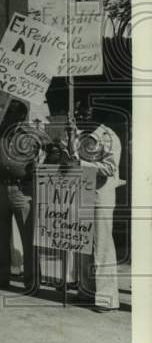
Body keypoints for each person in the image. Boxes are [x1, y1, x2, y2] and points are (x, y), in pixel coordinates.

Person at [0, 99, 49, 293]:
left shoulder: (31, 134)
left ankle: (32, 280)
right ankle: (1, 276)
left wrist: (40, 162)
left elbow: (51, 149)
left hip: (22, 190)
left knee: (28, 237)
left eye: (3, 114)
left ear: (18, 117)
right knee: (1, 235)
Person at [68, 98, 122, 312]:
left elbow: (109, 168)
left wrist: (81, 163)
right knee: (83, 243)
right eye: (79, 114)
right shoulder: (78, 136)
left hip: (101, 194)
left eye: (86, 114)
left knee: (102, 245)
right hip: (81, 192)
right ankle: (85, 291)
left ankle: (106, 298)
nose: (81, 118)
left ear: (96, 115)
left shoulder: (107, 136)